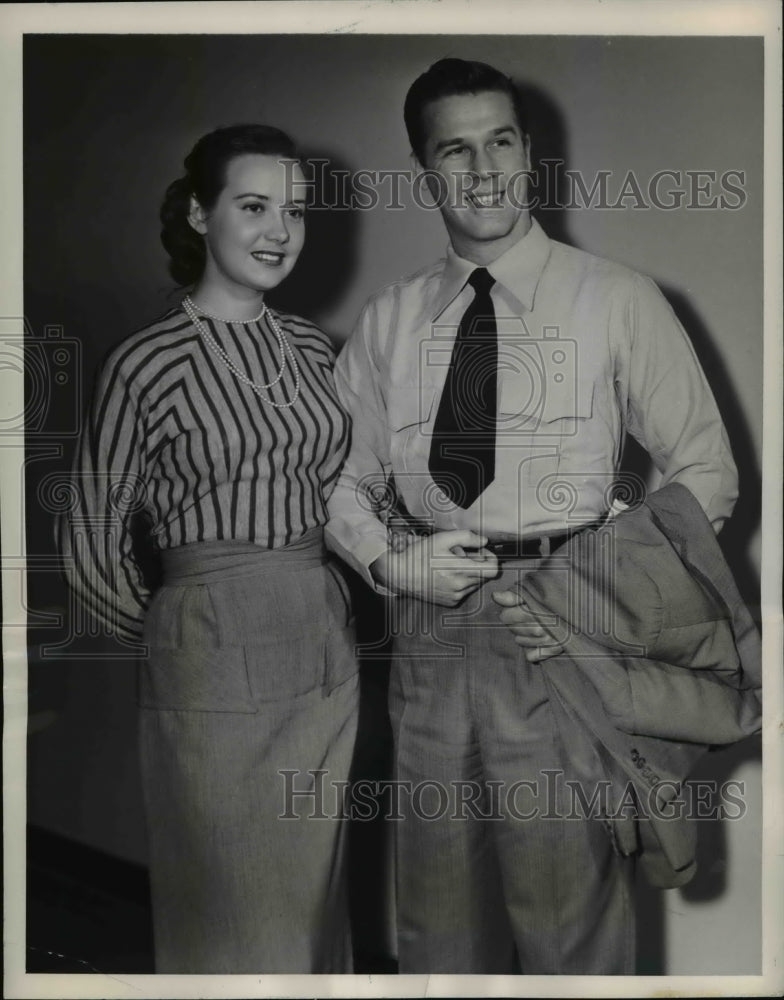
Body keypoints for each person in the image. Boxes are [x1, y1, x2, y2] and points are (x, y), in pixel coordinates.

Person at [325, 59, 738, 974]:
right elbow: (338, 479)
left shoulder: (617, 299)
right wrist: (391, 566)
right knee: (436, 932)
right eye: (455, 149)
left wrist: (601, 589)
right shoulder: (390, 323)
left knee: (570, 933)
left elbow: (707, 468)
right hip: (426, 641)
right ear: (423, 168)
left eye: (501, 141)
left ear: (528, 152)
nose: (483, 170)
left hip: (559, 638)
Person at [58, 124, 359, 973]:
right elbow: (87, 536)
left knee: (311, 903)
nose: (279, 231)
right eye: (254, 206)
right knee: (231, 910)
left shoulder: (309, 349)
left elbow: (338, 492)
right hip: (213, 648)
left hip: (322, 641)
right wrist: (175, 637)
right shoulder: (147, 363)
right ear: (199, 214)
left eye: (294, 212)